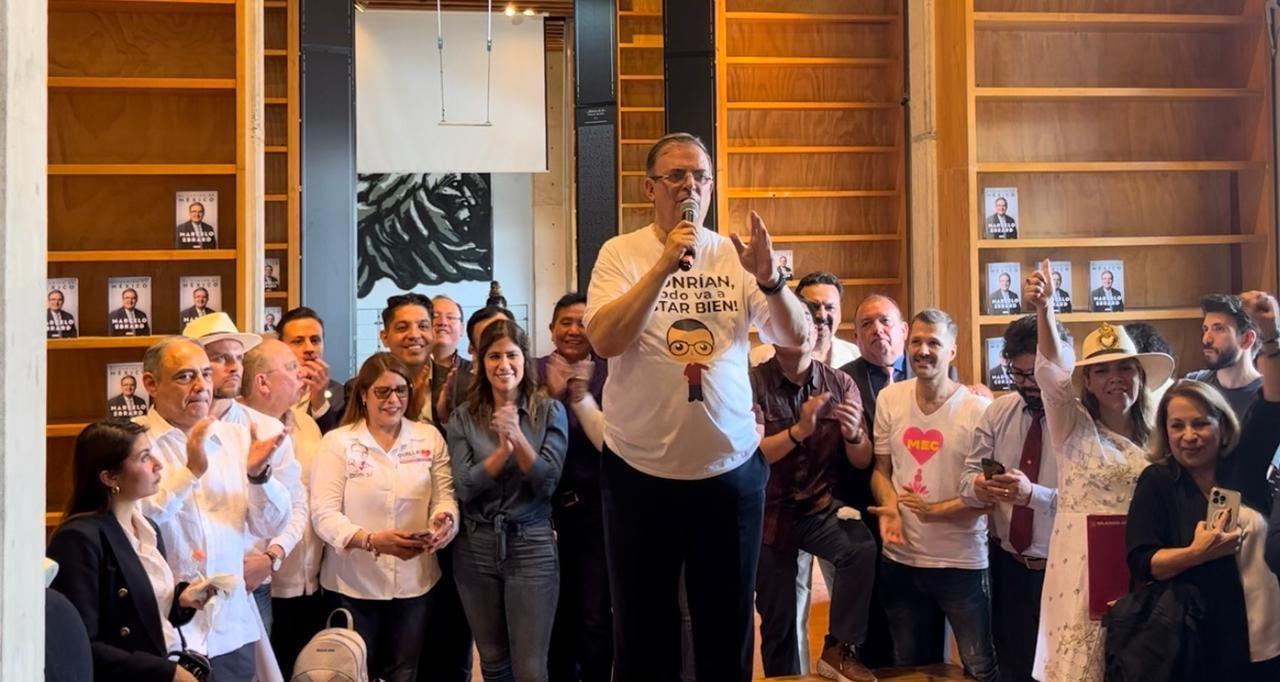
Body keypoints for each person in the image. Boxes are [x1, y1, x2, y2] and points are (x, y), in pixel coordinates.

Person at [584, 132, 808, 681]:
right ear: (650, 189)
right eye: (677, 176)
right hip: (640, 475)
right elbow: (605, 340)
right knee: (642, 634)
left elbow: (797, 336)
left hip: (728, 476)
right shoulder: (621, 253)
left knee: (727, 632)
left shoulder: (735, 257)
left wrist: (771, 279)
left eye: (701, 177)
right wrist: (663, 265)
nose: (691, 185)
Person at [1022, 259, 1172, 682]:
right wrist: (1046, 310)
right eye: (1101, 370)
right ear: (1086, 382)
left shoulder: (1161, 438)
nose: (1115, 378)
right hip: (1082, 567)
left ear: (1141, 376)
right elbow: (1051, 373)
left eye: (1125, 367)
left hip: (1146, 564)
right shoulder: (1073, 429)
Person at [1127, 296, 1280, 680]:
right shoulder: (1158, 481)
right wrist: (1194, 554)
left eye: (1201, 423)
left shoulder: (1242, 468)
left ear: (1222, 424)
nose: (1189, 436)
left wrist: (1272, 334)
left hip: (1264, 642)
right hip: (1191, 646)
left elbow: (1273, 405)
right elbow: (1143, 561)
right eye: (1177, 426)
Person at [135, 336, 291, 680]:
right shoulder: (133, 442)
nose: (201, 386)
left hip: (230, 630)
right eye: (184, 376)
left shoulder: (236, 437)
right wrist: (189, 472)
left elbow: (272, 525)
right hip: (166, 632)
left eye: (205, 374)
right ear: (150, 384)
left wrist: (259, 477)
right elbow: (139, 523)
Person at [866, 309, 998, 681]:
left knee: (980, 665)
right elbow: (881, 470)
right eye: (917, 342)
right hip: (901, 559)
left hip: (963, 563)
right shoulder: (890, 398)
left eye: (934, 343)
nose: (923, 351)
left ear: (952, 351)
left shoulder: (979, 410)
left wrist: (934, 510)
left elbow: (989, 496)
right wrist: (890, 508)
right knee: (909, 665)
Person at [311, 352, 459, 682]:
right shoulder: (339, 442)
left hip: (415, 583)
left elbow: (444, 496)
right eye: (382, 392)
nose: (393, 400)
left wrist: (444, 520)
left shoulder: (428, 436)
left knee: (403, 672)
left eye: (400, 391)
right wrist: (371, 540)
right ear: (363, 394)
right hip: (352, 584)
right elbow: (323, 514)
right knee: (353, 673)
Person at [749, 301, 877, 681]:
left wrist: (855, 435)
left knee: (859, 549)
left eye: (809, 320)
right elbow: (753, 456)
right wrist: (798, 432)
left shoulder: (840, 383)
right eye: (791, 320)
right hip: (768, 513)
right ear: (772, 332)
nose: (807, 326)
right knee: (779, 621)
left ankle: (838, 650)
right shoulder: (752, 381)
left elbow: (860, 459)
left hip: (819, 506)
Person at [47, 419, 214, 682]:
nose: (158, 464)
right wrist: (166, 673)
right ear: (110, 477)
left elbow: (143, 619)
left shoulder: (148, 529)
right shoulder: (78, 539)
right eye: (144, 457)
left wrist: (181, 601)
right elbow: (79, 643)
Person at [448, 320, 568, 681]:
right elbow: (465, 486)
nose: (504, 365)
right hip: (475, 544)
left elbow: (547, 481)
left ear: (524, 359)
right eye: (494, 356)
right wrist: (502, 451)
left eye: (512, 355)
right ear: (481, 362)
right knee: (494, 660)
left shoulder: (549, 411)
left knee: (531, 667)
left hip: (531, 542)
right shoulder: (463, 417)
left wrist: (517, 436)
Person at [181, 315, 303, 640]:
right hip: (183, 584)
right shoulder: (173, 432)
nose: (234, 366)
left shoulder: (268, 429)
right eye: (220, 358)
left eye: (238, 358)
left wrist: (271, 557)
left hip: (250, 581)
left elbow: (298, 507)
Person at [960, 315, 1068, 682]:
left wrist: (1032, 495)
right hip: (1008, 566)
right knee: (1012, 664)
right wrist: (978, 487)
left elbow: (1090, 499)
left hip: (1063, 565)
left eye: (1036, 375)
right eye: (1019, 376)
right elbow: (967, 476)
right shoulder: (998, 412)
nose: (1029, 386)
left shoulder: (1080, 418)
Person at [834, 294, 912, 668]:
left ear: (903, 330)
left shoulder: (931, 367)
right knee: (877, 608)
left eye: (884, 321)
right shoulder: (842, 379)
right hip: (866, 509)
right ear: (855, 335)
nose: (877, 331)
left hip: (923, 508)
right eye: (866, 324)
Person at [539, 293, 612, 682]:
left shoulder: (612, 372)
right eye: (565, 322)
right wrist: (549, 393)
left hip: (594, 513)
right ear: (551, 330)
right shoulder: (531, 370)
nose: (573, 330)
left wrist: (582, 396)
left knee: (595, 612)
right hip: (540, 514)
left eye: (583, 322)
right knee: (553, 613)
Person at [241, 340, 325, 675]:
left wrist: (274, 555)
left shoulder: (306, 425)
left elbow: (301, 502)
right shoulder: (237, 430)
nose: (300, 373)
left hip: (305, 573)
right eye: (290, 368)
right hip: (258, 581)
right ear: (262, 382)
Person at [749, 271, 861, 369]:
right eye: (813, 306)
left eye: (829, 307)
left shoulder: (855, 355)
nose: (822, 315)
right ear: (796, 311)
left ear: (840, 314)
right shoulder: (762, 358)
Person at [1186, 294, 1263, 420]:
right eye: (1206, 329)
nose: (1206, 339)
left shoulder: (1269, 396)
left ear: (1247, 339)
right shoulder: (1194, 385)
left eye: (1218, 329)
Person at [277, 306, 347, 434]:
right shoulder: (269, 391)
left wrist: (319, 402)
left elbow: (337, 446)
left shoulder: (342, 397)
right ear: (281, 346)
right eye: (298, 341)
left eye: (315, 340)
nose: (309, 348)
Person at [428, 296, 472, 428]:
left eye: (451, 317)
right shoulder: (411, 372)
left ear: (462, 329)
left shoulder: (474, 372)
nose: (442, 322)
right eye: (435, 316)